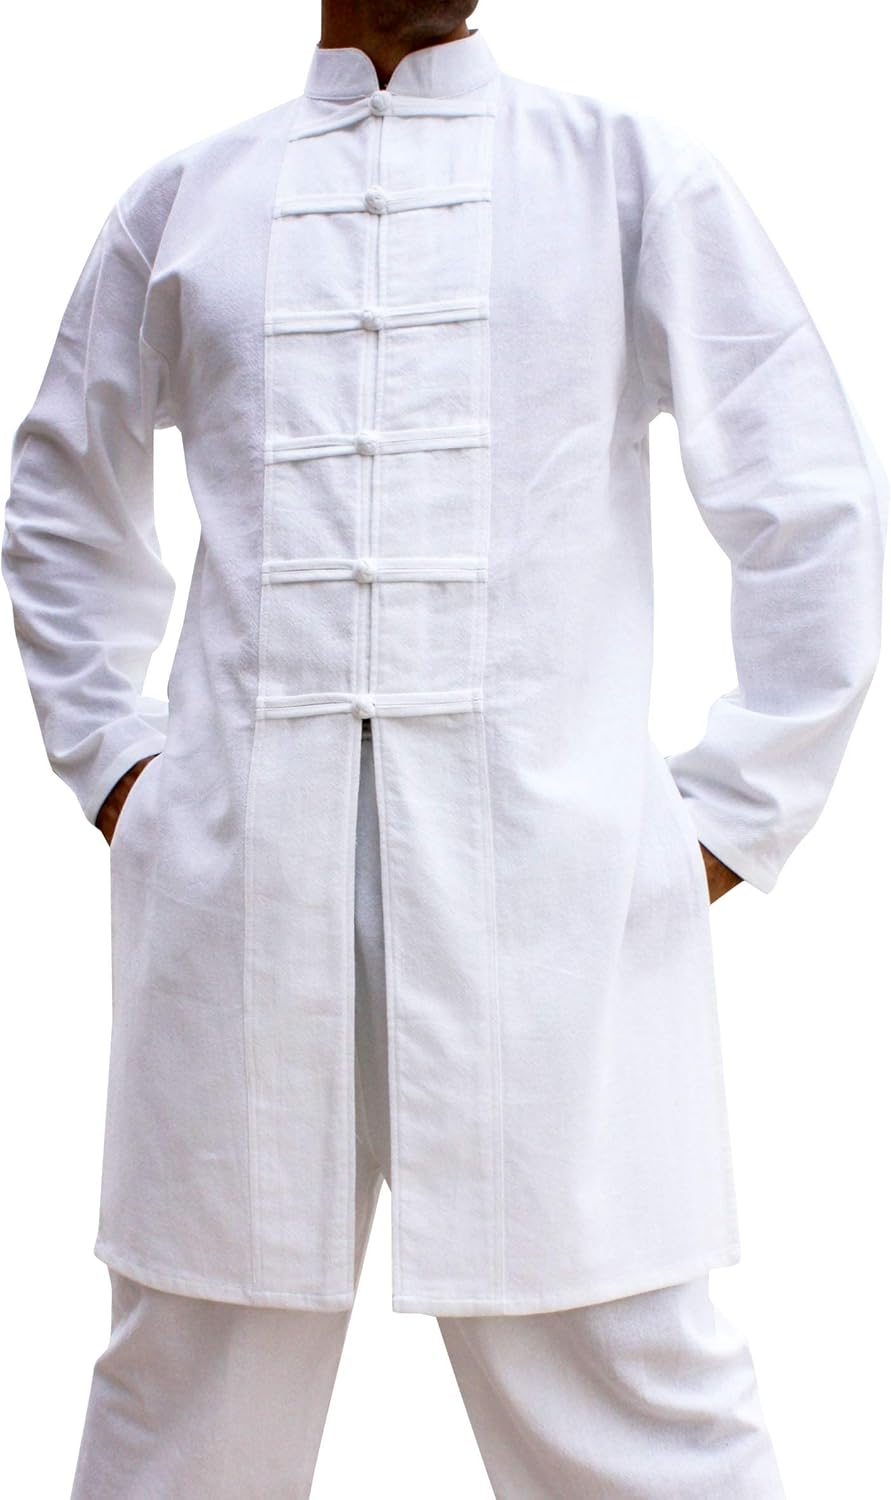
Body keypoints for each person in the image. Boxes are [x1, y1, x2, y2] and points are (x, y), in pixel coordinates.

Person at [3, 2, 886, 1495]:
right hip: (240, 900)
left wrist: (732, 815)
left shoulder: (625, 175)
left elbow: (811, 504)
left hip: (544, 901)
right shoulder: (187, 200)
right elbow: (60, 496)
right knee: (185, 1399)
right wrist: (120, 768)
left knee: (632, 1376)